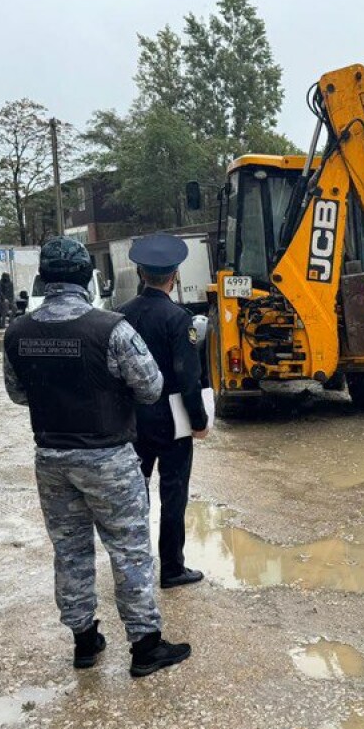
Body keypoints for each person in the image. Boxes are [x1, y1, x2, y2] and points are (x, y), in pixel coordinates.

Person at [3, 237, 190, 677]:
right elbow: (151, 388)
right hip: (108, 457)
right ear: (87, 277)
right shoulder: (110, 328)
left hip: (51, 457)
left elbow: (17, 394)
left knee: (69, 551)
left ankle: (84, 641)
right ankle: (145, 646)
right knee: (129, 550)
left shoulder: (17, 331)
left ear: (43, 278)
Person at [117, 233, 208, 590]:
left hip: (131, 421)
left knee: (132, 496)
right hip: (172, 422)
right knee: (173, 494)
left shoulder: (120, 316)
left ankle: (133, 570)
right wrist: (199, 421)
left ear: (140, 273)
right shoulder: (178, 319)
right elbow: (188, 378)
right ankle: (171, 569)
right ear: (174, 276)